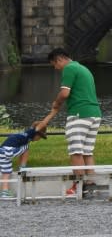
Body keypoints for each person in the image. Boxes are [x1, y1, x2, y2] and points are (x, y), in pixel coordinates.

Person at [45, 48, 102, 196]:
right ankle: (90, 184)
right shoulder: (83, 68)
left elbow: (65, 93)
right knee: (87, 151)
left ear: (59, 59)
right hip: (94, 114)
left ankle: (79, 185)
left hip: (79, 114)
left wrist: (56, 104)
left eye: (54, 64)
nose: (55, 68)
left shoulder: (69, 68)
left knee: (76, 151)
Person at [0, 119, 50, 199]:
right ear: (37, 133)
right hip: (9, 151)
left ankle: (4, 191)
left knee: (6, 171)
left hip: (2, 152)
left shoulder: (24, 134)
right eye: (40, 137)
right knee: (26, 148)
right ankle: (23, 168)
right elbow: (39, 126)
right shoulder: (30, 133)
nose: (39, 139)